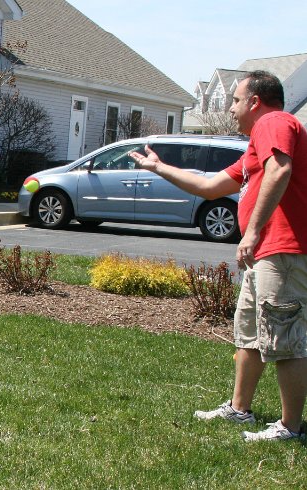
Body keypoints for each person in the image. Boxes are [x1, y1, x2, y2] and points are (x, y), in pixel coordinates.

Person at [129, 70, 307, 442]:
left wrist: (254, 230)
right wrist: (158, 167)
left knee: (283, 336)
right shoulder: (255, 148)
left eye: (235, 100)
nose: (230, 109)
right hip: (264, 253)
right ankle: (239, 409)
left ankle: (290, 427)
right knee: (252, 335)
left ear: (254, 102)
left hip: (283, 250)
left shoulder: (274, 121)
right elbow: (210, 187)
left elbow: (281, 169)